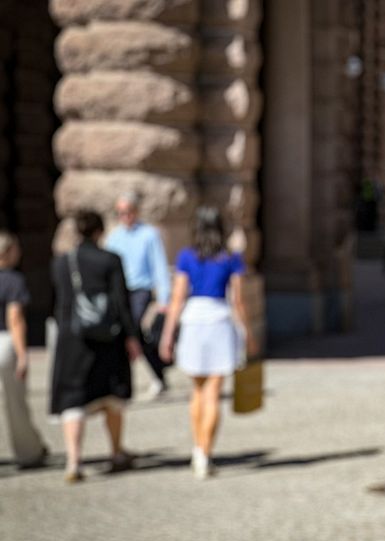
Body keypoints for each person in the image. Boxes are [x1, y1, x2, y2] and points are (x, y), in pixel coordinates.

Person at [159, 207, 256, 479]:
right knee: (213, 393)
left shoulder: (187, 257)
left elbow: (177, 298)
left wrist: (168, 335)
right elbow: (238, 300)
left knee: (197, 392)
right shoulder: (231, 259)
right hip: (219, 322)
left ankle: (198, 448)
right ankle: (205, 451)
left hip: (193, 322)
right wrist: (248, 334)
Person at [51, 211, 142, 483]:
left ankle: (73, 460)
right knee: (111, 396)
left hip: (72, 338)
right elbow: (120, 303)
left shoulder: (61, 263)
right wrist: (132, 337)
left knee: (73, 399)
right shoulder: (110, 260)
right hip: (106, 338)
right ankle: (115, 452)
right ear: (99, 231)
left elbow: (60, 303)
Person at [104, 192, 172, 399]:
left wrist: (164, 298)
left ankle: (126, 381)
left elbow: (159, 266)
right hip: (120, 290)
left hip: (140, 289)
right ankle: (158, 375)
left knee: (131, 329)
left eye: (128, 212)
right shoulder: (114, 237)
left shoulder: (149, 234)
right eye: (120, 213)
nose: (125, 216)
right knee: (134, 337)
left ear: (136, 212)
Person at [0, 232, 48, 469]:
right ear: (7, 252)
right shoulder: (13, 280)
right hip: (5, 343)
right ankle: (28, 453)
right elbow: (15, 318)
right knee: (15, 404)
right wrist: (22, 355)